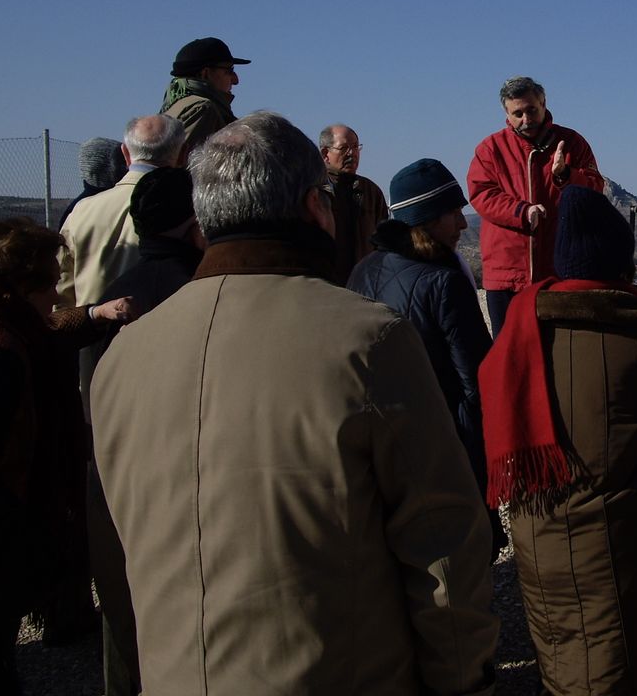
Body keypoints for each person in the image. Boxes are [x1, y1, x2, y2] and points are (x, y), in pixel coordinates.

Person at [91, 112, 497, 695]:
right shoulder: (369, 342)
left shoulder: (122, 358)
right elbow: (441, 545)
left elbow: (117, 557)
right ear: (315, 208)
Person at [480, 185, 637, 695]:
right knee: (621, 645)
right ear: (621, 262)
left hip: (538, 518)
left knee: (561, 641)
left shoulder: (519, 330)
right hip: (620, 528)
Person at [0, 220, 132, 693]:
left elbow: (48, 329)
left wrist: (94, 316)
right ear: (23, 286)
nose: (55, 294)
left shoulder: (5, 318)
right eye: (50, 282)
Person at [347, 158, 504, 554]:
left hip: (375, 444)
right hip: (441, 449)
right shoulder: (443, 281)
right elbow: (476, 382)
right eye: (454, 213)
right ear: (426, 219)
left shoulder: (363, 270)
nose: (464, 224)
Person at [90, 167, 205, 696]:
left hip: (118, 482)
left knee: (125, 619)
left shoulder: (113, 298)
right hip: (189, 487)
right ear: (195, 221)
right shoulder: (200, 293)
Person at [58, 114, 185, 422]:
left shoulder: (82, 212)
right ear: (181, 153)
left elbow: (62, 291)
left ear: (126, 154)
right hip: (168, 349)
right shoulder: (183, 209)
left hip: (94, 346)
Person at [467, 75, 603, 335]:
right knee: (510, 351)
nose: (526, 119)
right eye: (517, 113)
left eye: (531, 110)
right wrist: (521, 211)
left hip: (559, 270)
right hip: (506, 274)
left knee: (559, 352)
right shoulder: (490, 149)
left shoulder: (573, 143)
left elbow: (595, 188)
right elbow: (482, 194)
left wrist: (565, 175)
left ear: (543, 103)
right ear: (506, 112)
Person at [319, 123, 388, 284]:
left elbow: (383, 243)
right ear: (325, 153)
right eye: (344, 148)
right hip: (326, 284)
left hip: (366, 284)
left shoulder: (371, 192)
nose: (352, 154)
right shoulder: (314, 191)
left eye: (356, 147)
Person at [157, 36, 249, 154]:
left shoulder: (177, 106)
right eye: (229, 71)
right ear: (205, 74)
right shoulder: (203, 109)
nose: (236, 80)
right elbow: (182, 164)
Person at [58, 137, 128, 229]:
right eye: (121, 163)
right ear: (105, 166)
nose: (127, 168)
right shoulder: (79, 210)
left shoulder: (78, 208)